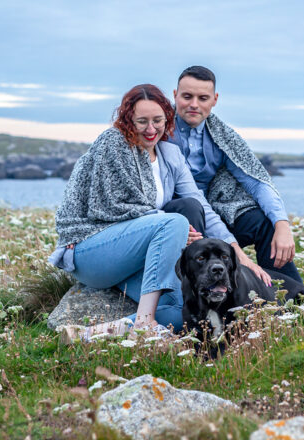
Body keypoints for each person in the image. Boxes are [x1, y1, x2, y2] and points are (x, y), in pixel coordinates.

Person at [49, 83, 248, 341]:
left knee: (183, 308)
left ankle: (92, 333)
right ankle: (144, 322)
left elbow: (198, 202)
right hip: (89, 249)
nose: (151, 129)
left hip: (132, 258)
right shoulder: (113, 143)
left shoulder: (169, 153)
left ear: (168, 117)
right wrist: (170, 227)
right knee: (173, 222)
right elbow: (105, 206)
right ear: (127, 120)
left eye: (158, 120)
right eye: (142, 121)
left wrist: (236, 250)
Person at [169, 66, 304, 298]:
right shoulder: (161, 130)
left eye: (203, 98)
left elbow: (256, 180)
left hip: (211, 212)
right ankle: (193, 298)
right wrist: (237, 253)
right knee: (190, 207)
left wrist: (282, 224)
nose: (194, 104)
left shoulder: (222, 135)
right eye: (187, 96)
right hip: (176, 216)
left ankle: (292, 298)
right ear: (175, 95)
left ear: (215, 100)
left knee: (263, 222)